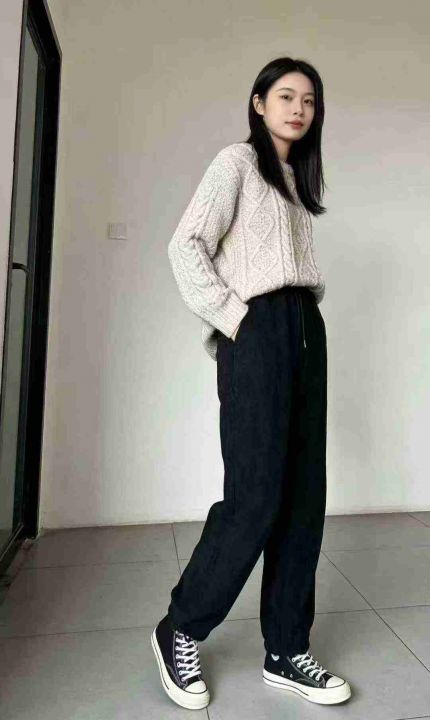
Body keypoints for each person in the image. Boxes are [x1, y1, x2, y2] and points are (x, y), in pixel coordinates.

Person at [151, 56, 352, 710]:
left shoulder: (294, 181)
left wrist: (298, 326)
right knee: (256, 496)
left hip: (305, 330)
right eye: (286, 96)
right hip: (258, 330)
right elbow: (186, 245)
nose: (299, 109)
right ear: (259, 103)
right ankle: (181, 627)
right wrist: (236, 319)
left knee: (303, 496)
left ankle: (286, 647)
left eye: (309, 100)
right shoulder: (236, 163)